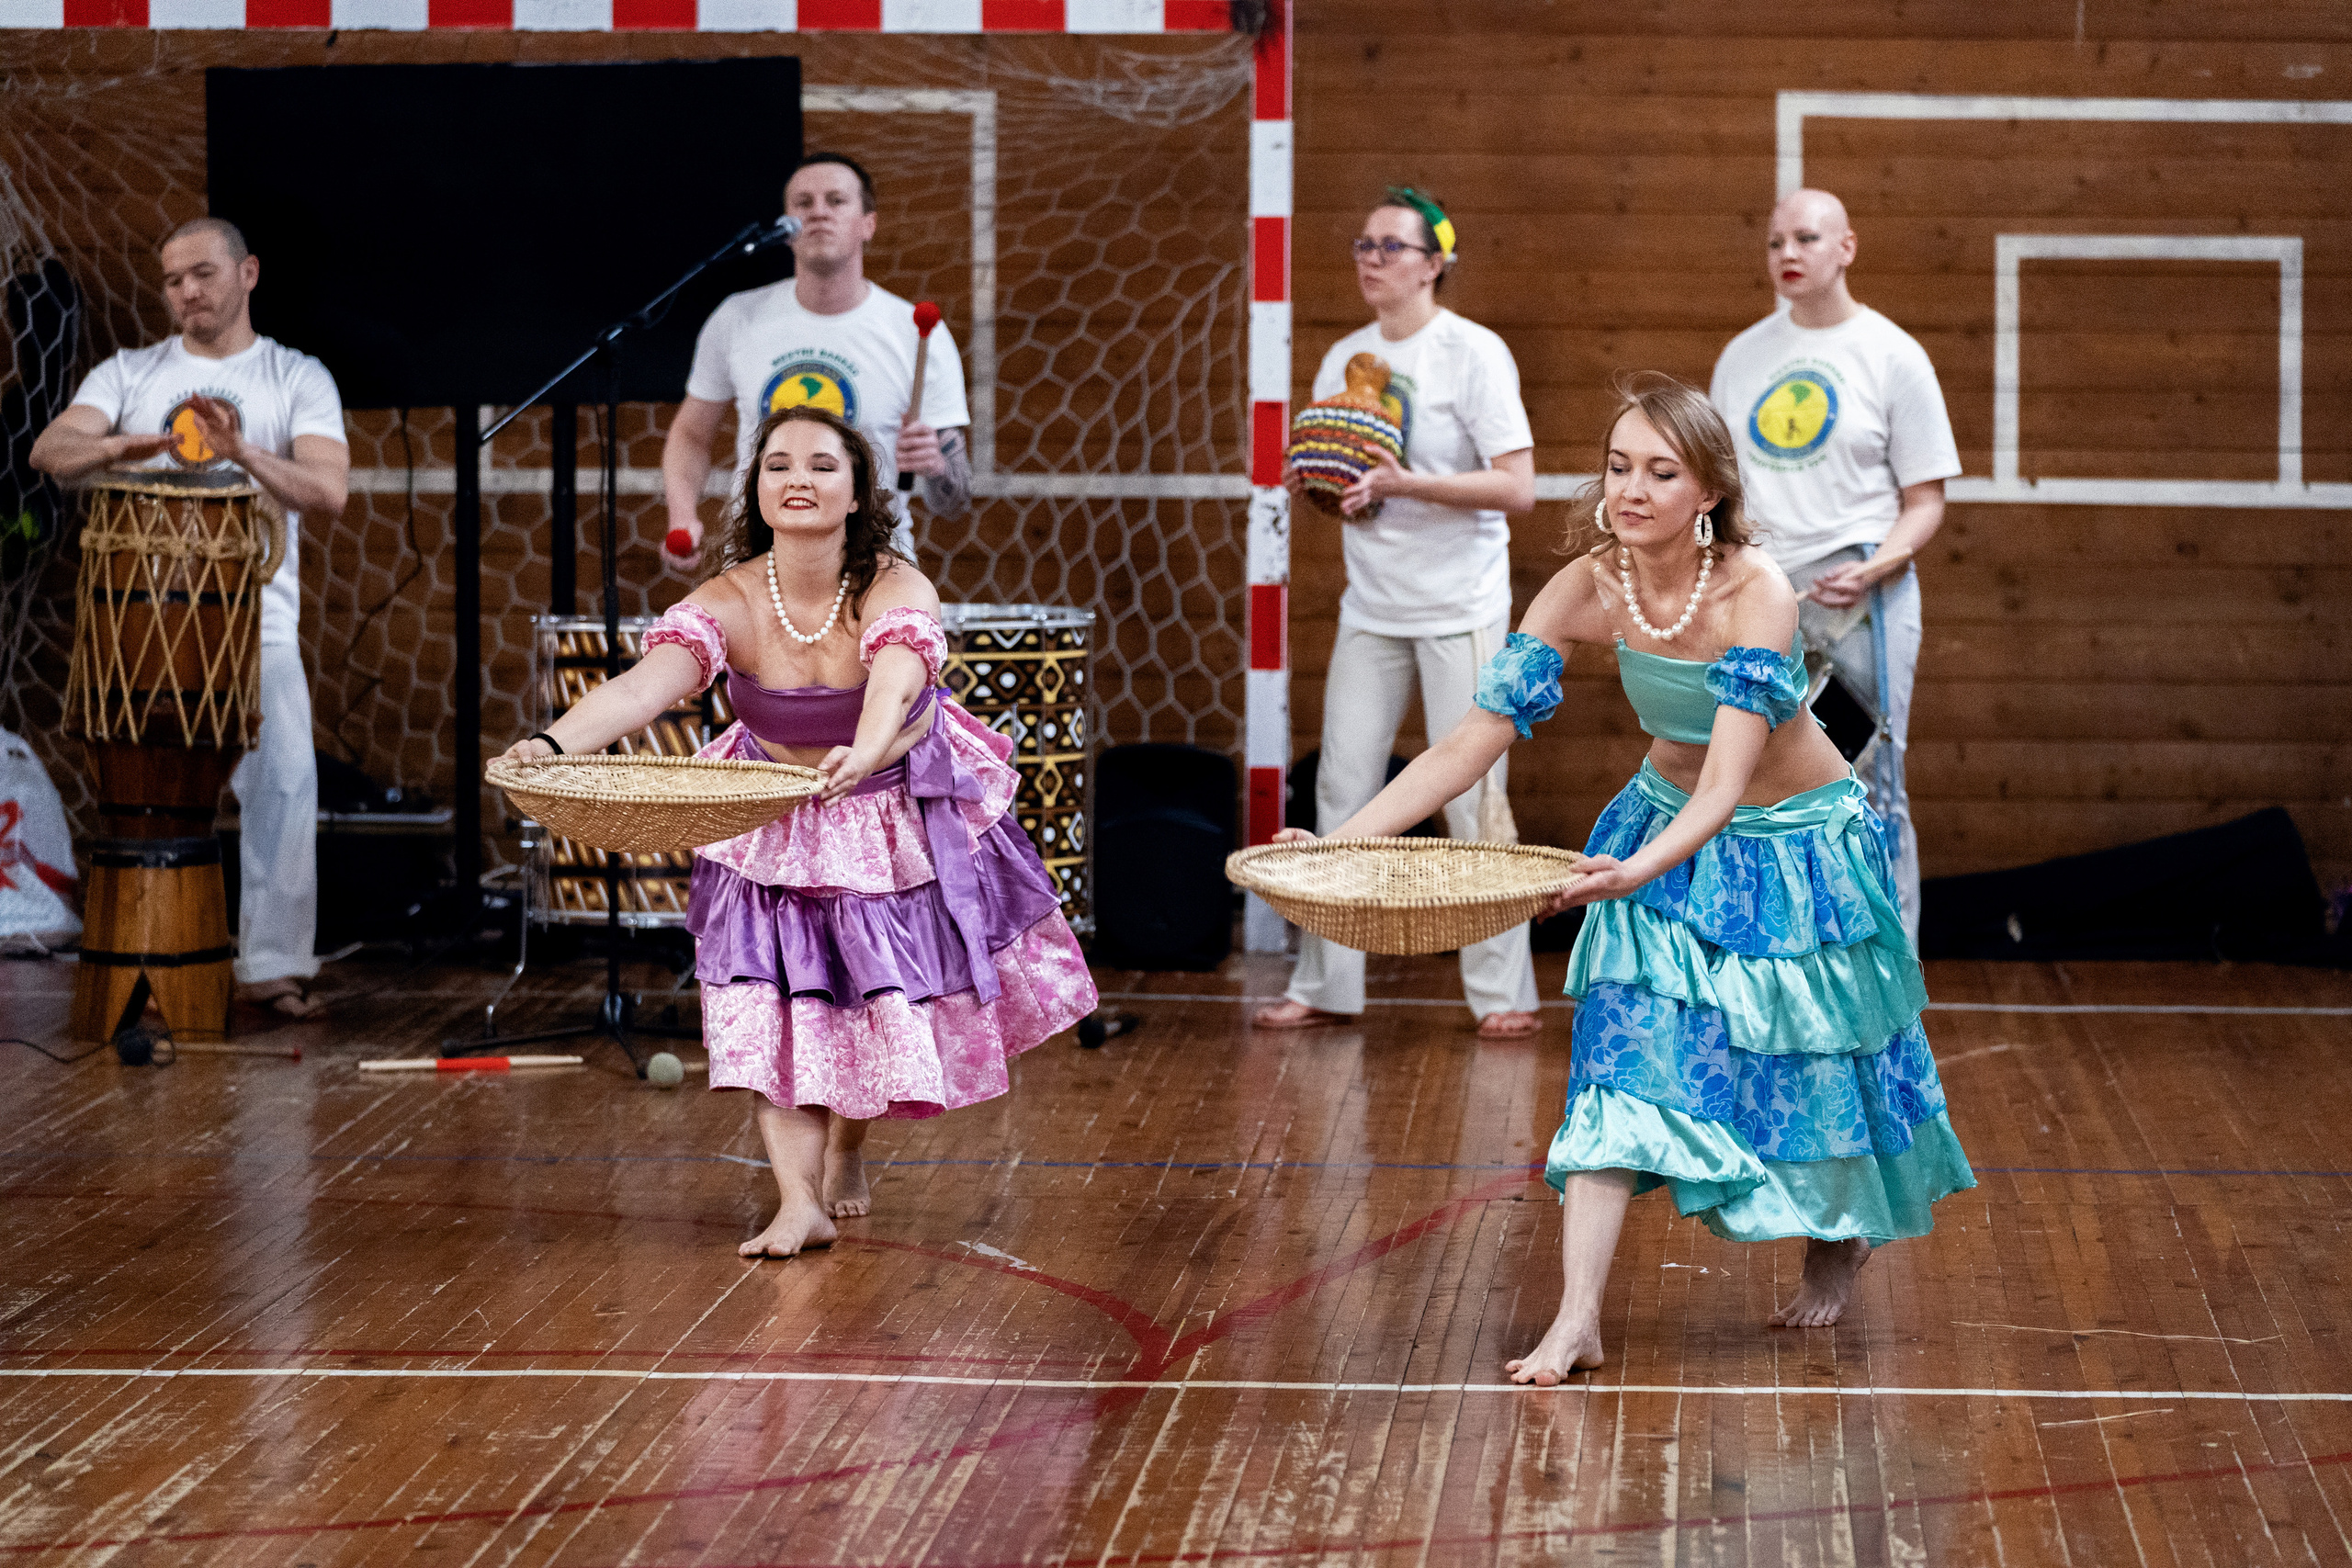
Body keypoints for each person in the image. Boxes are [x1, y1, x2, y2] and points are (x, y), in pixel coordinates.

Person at [1278, 375, 1974, 1381]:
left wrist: (1629, 874)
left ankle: (1837, 1243)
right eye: (1618, 466)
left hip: (1790, 841)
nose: (1633, 488)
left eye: (1662, 470)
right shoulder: (1582, 586)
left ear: (1708, 492)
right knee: (1622, 1059)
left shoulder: (1756, 591)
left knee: (1813, 1061)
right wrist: (1345, 841)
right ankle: (1576, 1321)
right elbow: (1466, 744)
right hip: (1655, 827)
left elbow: (1729, 783)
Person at [503, 406, 1093, 1258]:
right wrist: (552, 745)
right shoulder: (731, 598)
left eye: (822, 465)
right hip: (770, 816)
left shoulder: (896, 584)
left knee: (861, 1007)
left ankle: (849, 1148)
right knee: (771, 1004)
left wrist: (864, 748)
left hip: (887, 808)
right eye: (778, 465)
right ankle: (795, 1201)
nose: (799, 480)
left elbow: (895, 679)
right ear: (757, 490)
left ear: (857, 493)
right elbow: (641, 691)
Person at [29, 215, 349, 1020]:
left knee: (284, 780)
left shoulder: (294, 375)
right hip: (134, 631)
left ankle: (274, 964)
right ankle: (139, 951)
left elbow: (327, 490)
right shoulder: (130, 372)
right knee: (139, 794)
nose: (186, 292)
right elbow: (50, 451)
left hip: (254, 628)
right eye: (172, 280)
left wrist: (241, 452)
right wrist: (117, 448)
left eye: (202, 273)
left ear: (247, 274)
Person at [1255, 186, 1542, 1041]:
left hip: (1462, 606)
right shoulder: (1344, 355)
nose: (1371, 259)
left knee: (1472, 796)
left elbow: (1516, 487)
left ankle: (1504, 994)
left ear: (1436, 261)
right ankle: (1328, 982)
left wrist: (1403, 480)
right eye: (1363, 244)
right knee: (1343, 786)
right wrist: (1320, 485)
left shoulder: (1474, 353)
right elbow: (1346, 496)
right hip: (1371, 607)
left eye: (1391, 246)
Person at [1709, 188, 1960, 944]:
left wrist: (1877, 565)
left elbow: (1925, 500)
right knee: (1750, 779)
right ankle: (1782, 964)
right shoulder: (1743, 355)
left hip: (1858, 594)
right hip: (1762, 593)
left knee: (1865, 782)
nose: (1788, 254)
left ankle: (1890, 970)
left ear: (1846, 246)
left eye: (1807, 239)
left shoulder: (1892, 354)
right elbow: (1721, 491)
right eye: (1775, 241)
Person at [663, 152, 970, 570]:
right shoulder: (738, 317)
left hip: (876, 567)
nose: (819, 213)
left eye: (836, 201)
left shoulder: (917, 333)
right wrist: (682, 517)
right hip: (756, 563)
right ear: (786, 227)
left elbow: (955, 503)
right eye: (803, 203)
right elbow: (691, 434)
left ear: (869, 224)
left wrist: (936, 466)